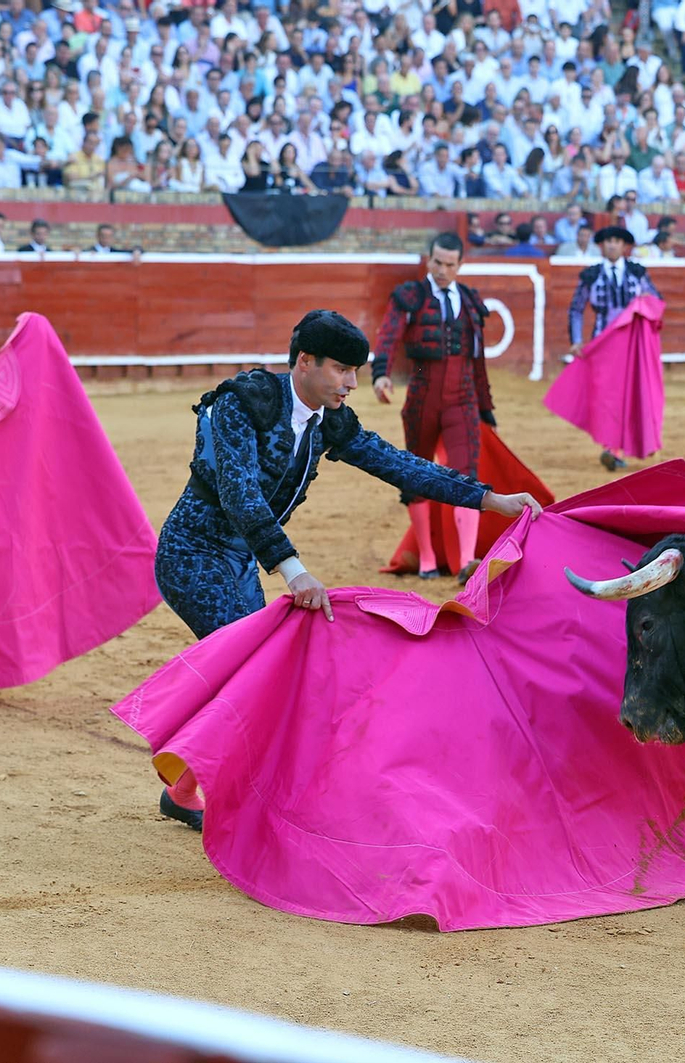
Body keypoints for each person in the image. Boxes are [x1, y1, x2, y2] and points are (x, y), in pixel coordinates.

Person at [151, 310, 541, 827]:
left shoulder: (328, 418)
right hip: (193, 554)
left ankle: (183, 790)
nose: (352, 383)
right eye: (341, 370)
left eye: (357, 371)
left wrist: (489, 499)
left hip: (241, 560)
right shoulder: (240, 404)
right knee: (254, 675)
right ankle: (235, 799)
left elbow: (397, 463)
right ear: (305, 362)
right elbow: (240, 495)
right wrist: (294, 571)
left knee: (255, 673)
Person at [372, 233, 500, 583]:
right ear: (428, 260)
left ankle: (465, 562)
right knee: (418, 476)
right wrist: (381, 374)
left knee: (466, 475)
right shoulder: (410, 297)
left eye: (449, 264)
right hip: (422, 398)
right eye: (437, 262)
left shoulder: (471, 301)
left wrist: (485, 408)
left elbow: (478, 361)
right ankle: (427, 558)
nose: (442, 270)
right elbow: (388, 336)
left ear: (460, 265)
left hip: (463, 399)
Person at [567, 225, 662, 470]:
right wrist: (576, 340)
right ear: (601, 245)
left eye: (617, 241)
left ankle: (615, 449)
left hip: (631, 346)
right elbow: (576, 309)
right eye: (607, 241)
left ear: (624, 246)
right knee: (608, 398)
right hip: (602, 345)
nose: (612, 245)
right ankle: (612, 448)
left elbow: (655, 302)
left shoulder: (637, 272)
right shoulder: (591, 275)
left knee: (626, 397)